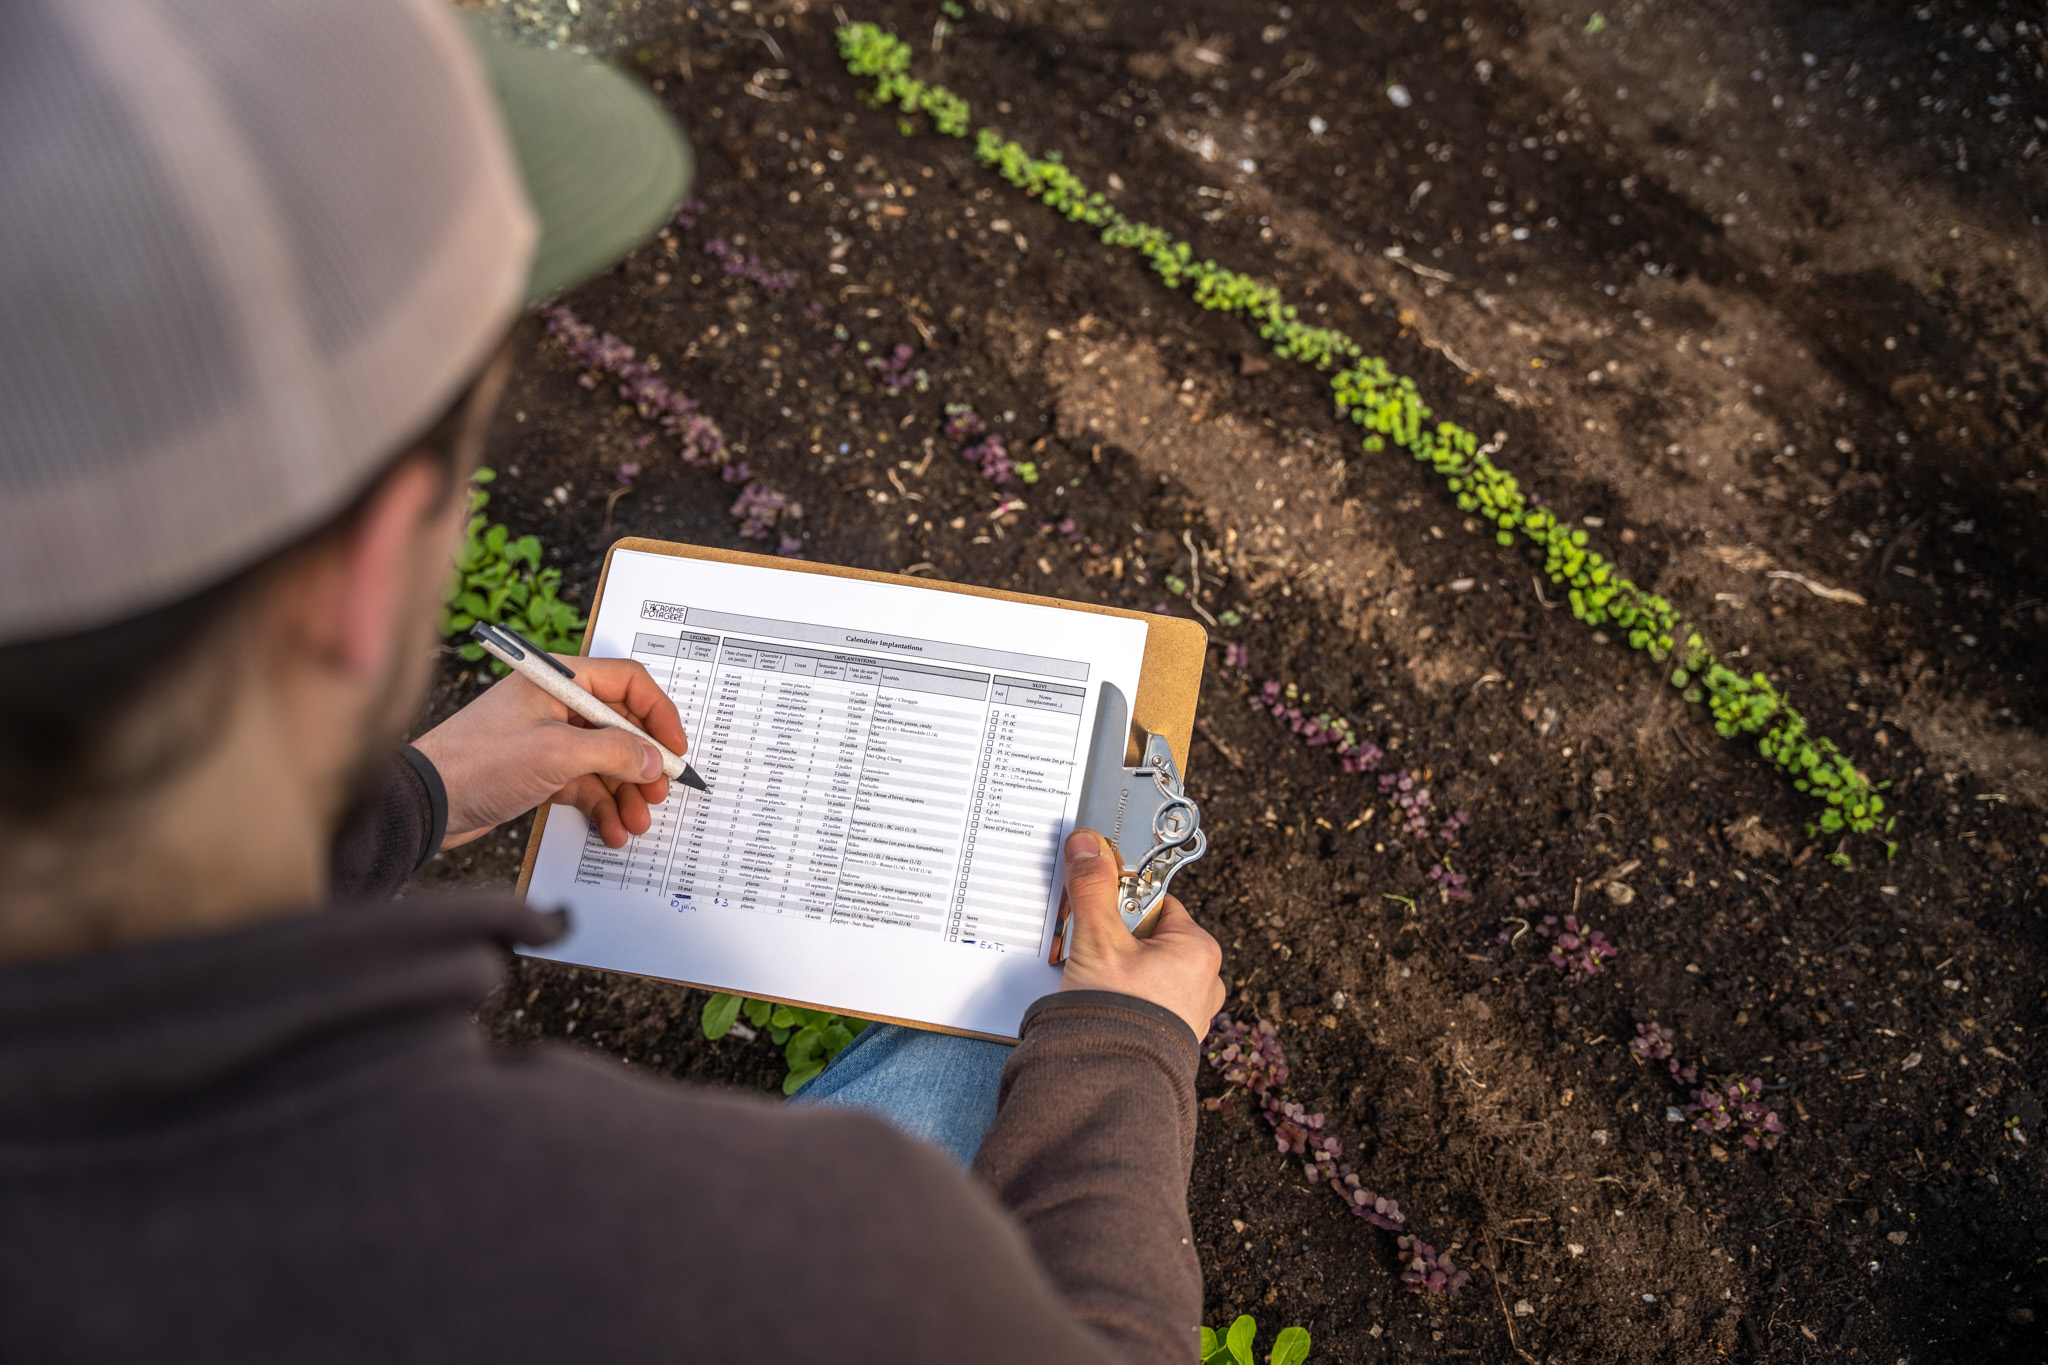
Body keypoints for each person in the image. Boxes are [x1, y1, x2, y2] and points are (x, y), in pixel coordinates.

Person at [0, 1, 1227, 1361]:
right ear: (352, 588)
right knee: (1009, 1049)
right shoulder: (695, 1253)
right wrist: (1123, 1060)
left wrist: (420, 794)